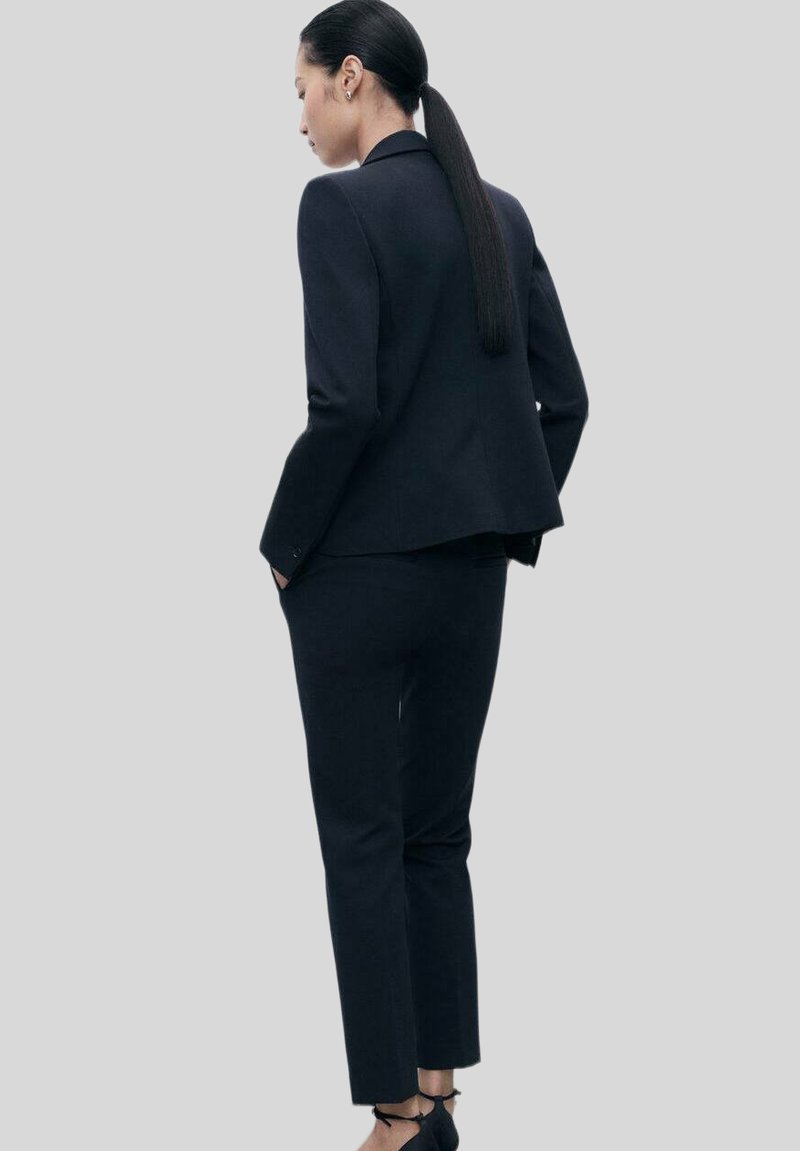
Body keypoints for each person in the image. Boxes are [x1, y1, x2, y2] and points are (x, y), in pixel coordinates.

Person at [258, 3, 589, 1147]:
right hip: (468, 579)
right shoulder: (496, 210)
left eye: (303, 89)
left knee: (360, 838)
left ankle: (394, 1115)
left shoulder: (337, 208)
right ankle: (437, 1095)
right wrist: (496, 521)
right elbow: (566, 400)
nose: (299, 117)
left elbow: (344, 405)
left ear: (352, 77)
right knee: (435, 833)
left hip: (354, 575)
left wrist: (283, 543)